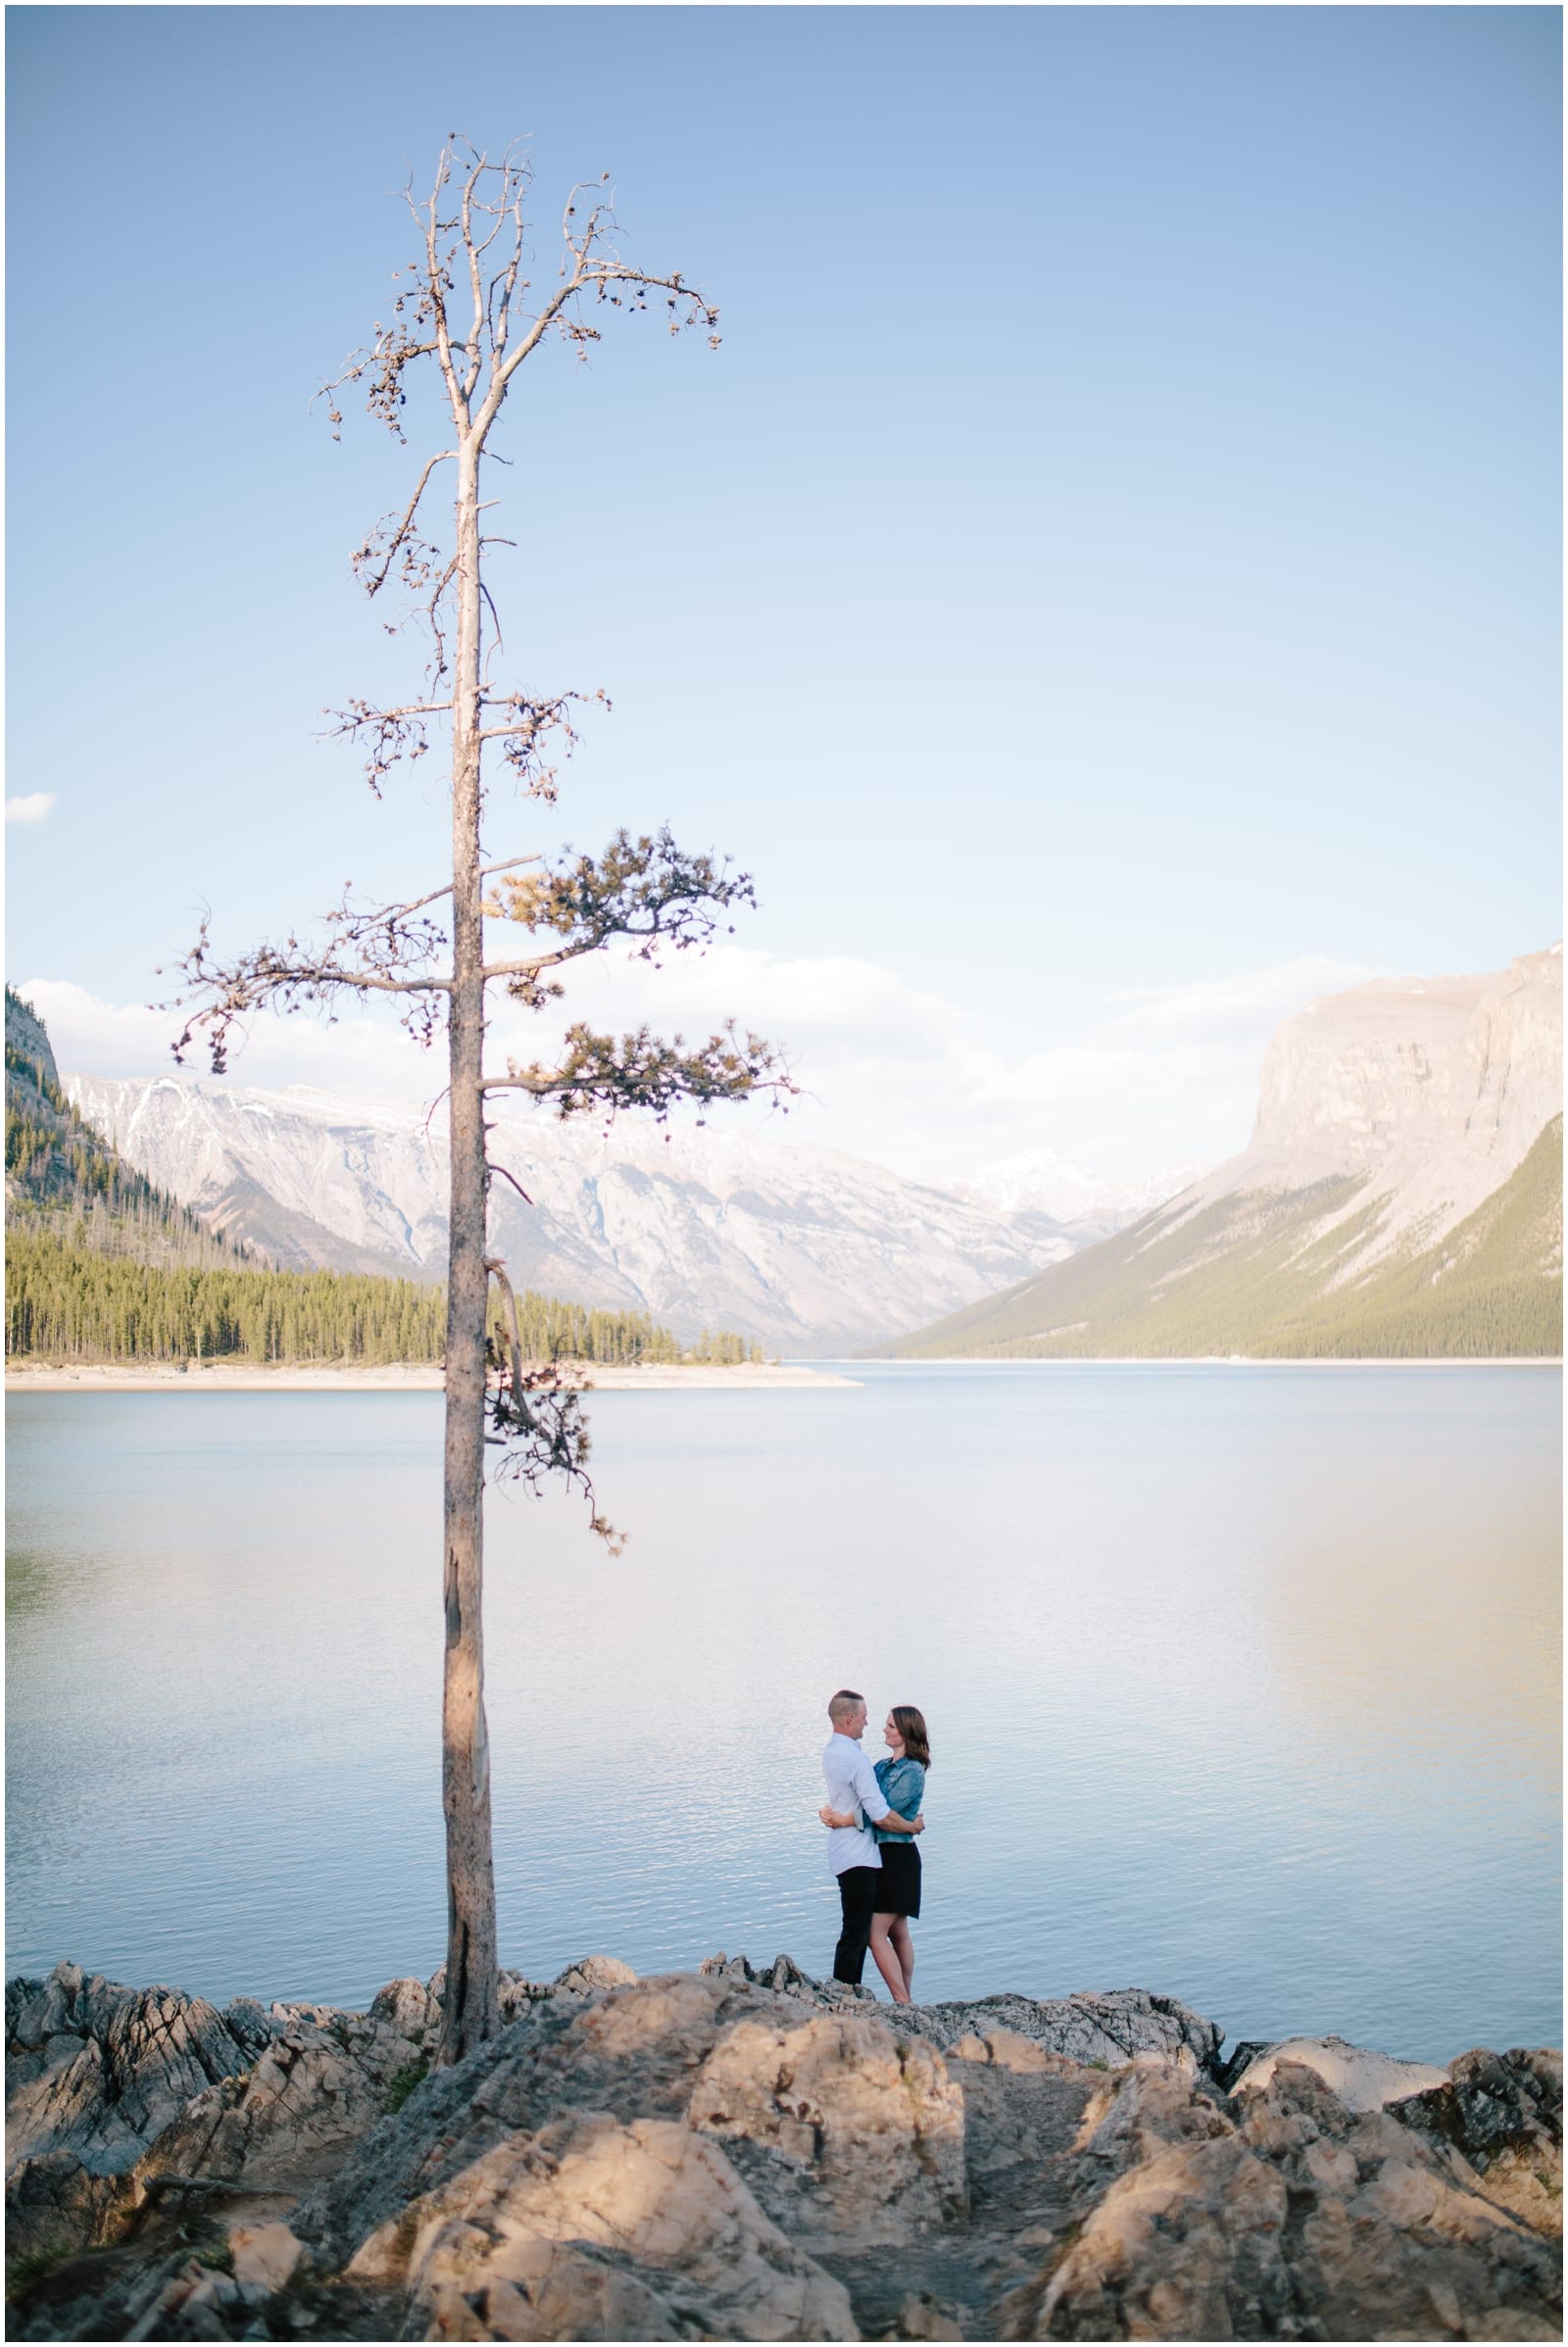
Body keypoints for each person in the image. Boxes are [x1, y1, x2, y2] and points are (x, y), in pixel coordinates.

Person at [821, 1704, 930, 2004]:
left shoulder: (912, 1771)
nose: (884, 1729)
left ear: (907, 1731)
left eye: (891, 1726)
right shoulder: (881, 1766)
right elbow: (866, 1799)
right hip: (880, 1853)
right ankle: (905, 1998)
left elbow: (881, 1811)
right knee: (897, 1930)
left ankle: (902, 1999)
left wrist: (845, 1820)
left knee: (875, 1931)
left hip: (899, 1857)